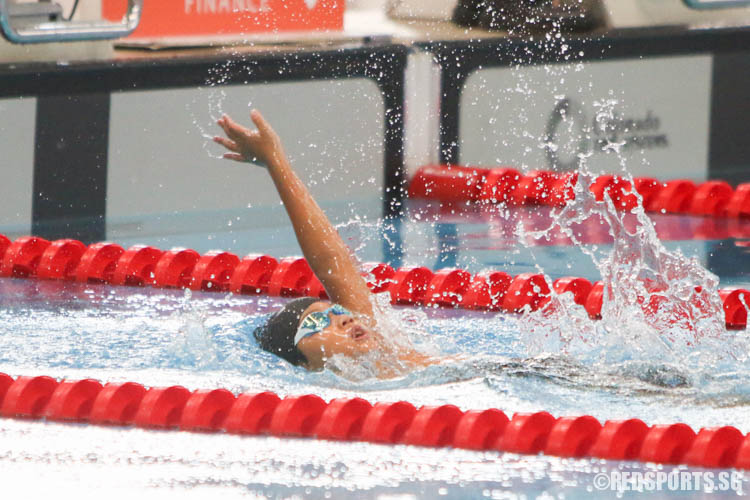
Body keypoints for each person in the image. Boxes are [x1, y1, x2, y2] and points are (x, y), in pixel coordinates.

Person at [214, 110, 437, 377]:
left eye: (338, 310)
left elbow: (332, 263)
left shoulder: (391, 357)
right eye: (317, 322)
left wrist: (275, 161)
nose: (346, 318)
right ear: (302, 365)